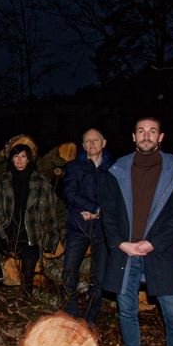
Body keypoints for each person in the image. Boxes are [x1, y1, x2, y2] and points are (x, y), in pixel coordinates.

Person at [100, 117, 173, 346]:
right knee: (127, 312)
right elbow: (110, 213)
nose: (146, 135)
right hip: (126, 253)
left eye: (152, 131)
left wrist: (153, 243)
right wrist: (120, 243)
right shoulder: (118, 170)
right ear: (133, 135)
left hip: (160, 253)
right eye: (141, 130)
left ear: (161, 136)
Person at [0, 144, 60, 293]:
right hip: (8, 229)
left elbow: (51, 212)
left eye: (23, 156)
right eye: (16, 157)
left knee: (27, 281)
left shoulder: (41, 182)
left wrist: (52, 239)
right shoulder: (4, 180)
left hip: (31, 234)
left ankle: (27, 307)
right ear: (11, 160)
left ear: (29, 159)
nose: (20, 160)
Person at [61, 128, 113, 325]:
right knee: (69, 272)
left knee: (98, 277)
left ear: (104, 143)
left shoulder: (114, 168)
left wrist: (100, 212)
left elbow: (116, 198)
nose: (92, 144)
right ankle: (70, 314)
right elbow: (70, 193)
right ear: (83, 145)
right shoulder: (74, 167)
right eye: (87, 141)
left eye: (96, 140)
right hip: (78, 226)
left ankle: (89, 318)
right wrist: (95, 208)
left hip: (104, 228)